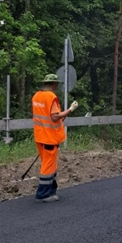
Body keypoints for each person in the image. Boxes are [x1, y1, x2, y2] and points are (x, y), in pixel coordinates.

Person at [32, 74, 79, 202]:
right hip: (49, 138)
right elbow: (54, 117)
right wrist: (70, 109)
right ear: (54, 84)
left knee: (48, 164)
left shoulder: (37, 96)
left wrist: (64, 115)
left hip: (40, 136)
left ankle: (51, 190)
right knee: (48, 166)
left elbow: (51, 117)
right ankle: (43, 194)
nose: (57, 86)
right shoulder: (51, 97)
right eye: (57, 84)